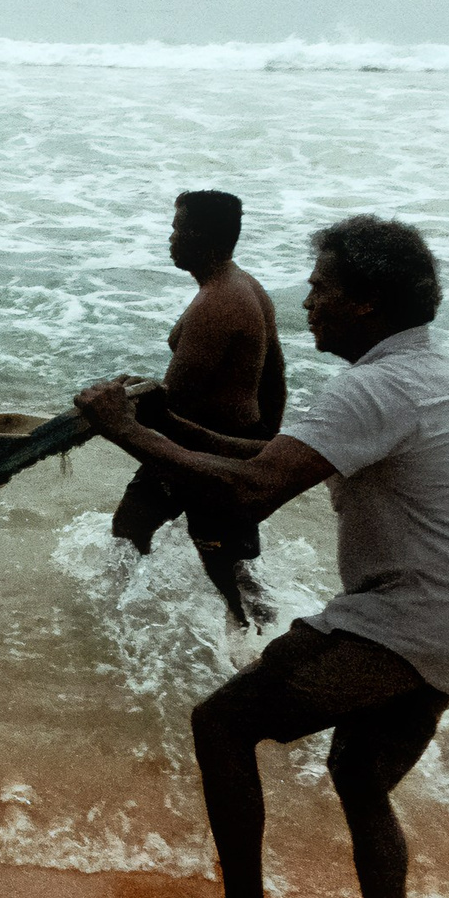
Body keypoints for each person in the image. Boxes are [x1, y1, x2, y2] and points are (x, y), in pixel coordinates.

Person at [75, 214, 449, 898]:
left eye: (322, 289)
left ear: (366, 304)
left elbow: (250, 490)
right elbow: (280, 450)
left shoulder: (372, 388)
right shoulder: (428, 370)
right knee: (359, 775)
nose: (306, 303)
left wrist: (126, 433)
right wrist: (167, 421)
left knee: (223, 722)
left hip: (405, 617)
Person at [112, 189, 286, 625]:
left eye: (176, 228)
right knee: (230, 564)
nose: (170, 238)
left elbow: (175, 402)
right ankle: (260, 634)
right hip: (232, 441)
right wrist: (261, 444)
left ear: (199, 236)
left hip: (201, 450)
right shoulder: (244, 286)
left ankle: (132, 629)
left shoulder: (216, 304)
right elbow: (276, 378)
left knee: (143, 536)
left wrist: (119, 410)